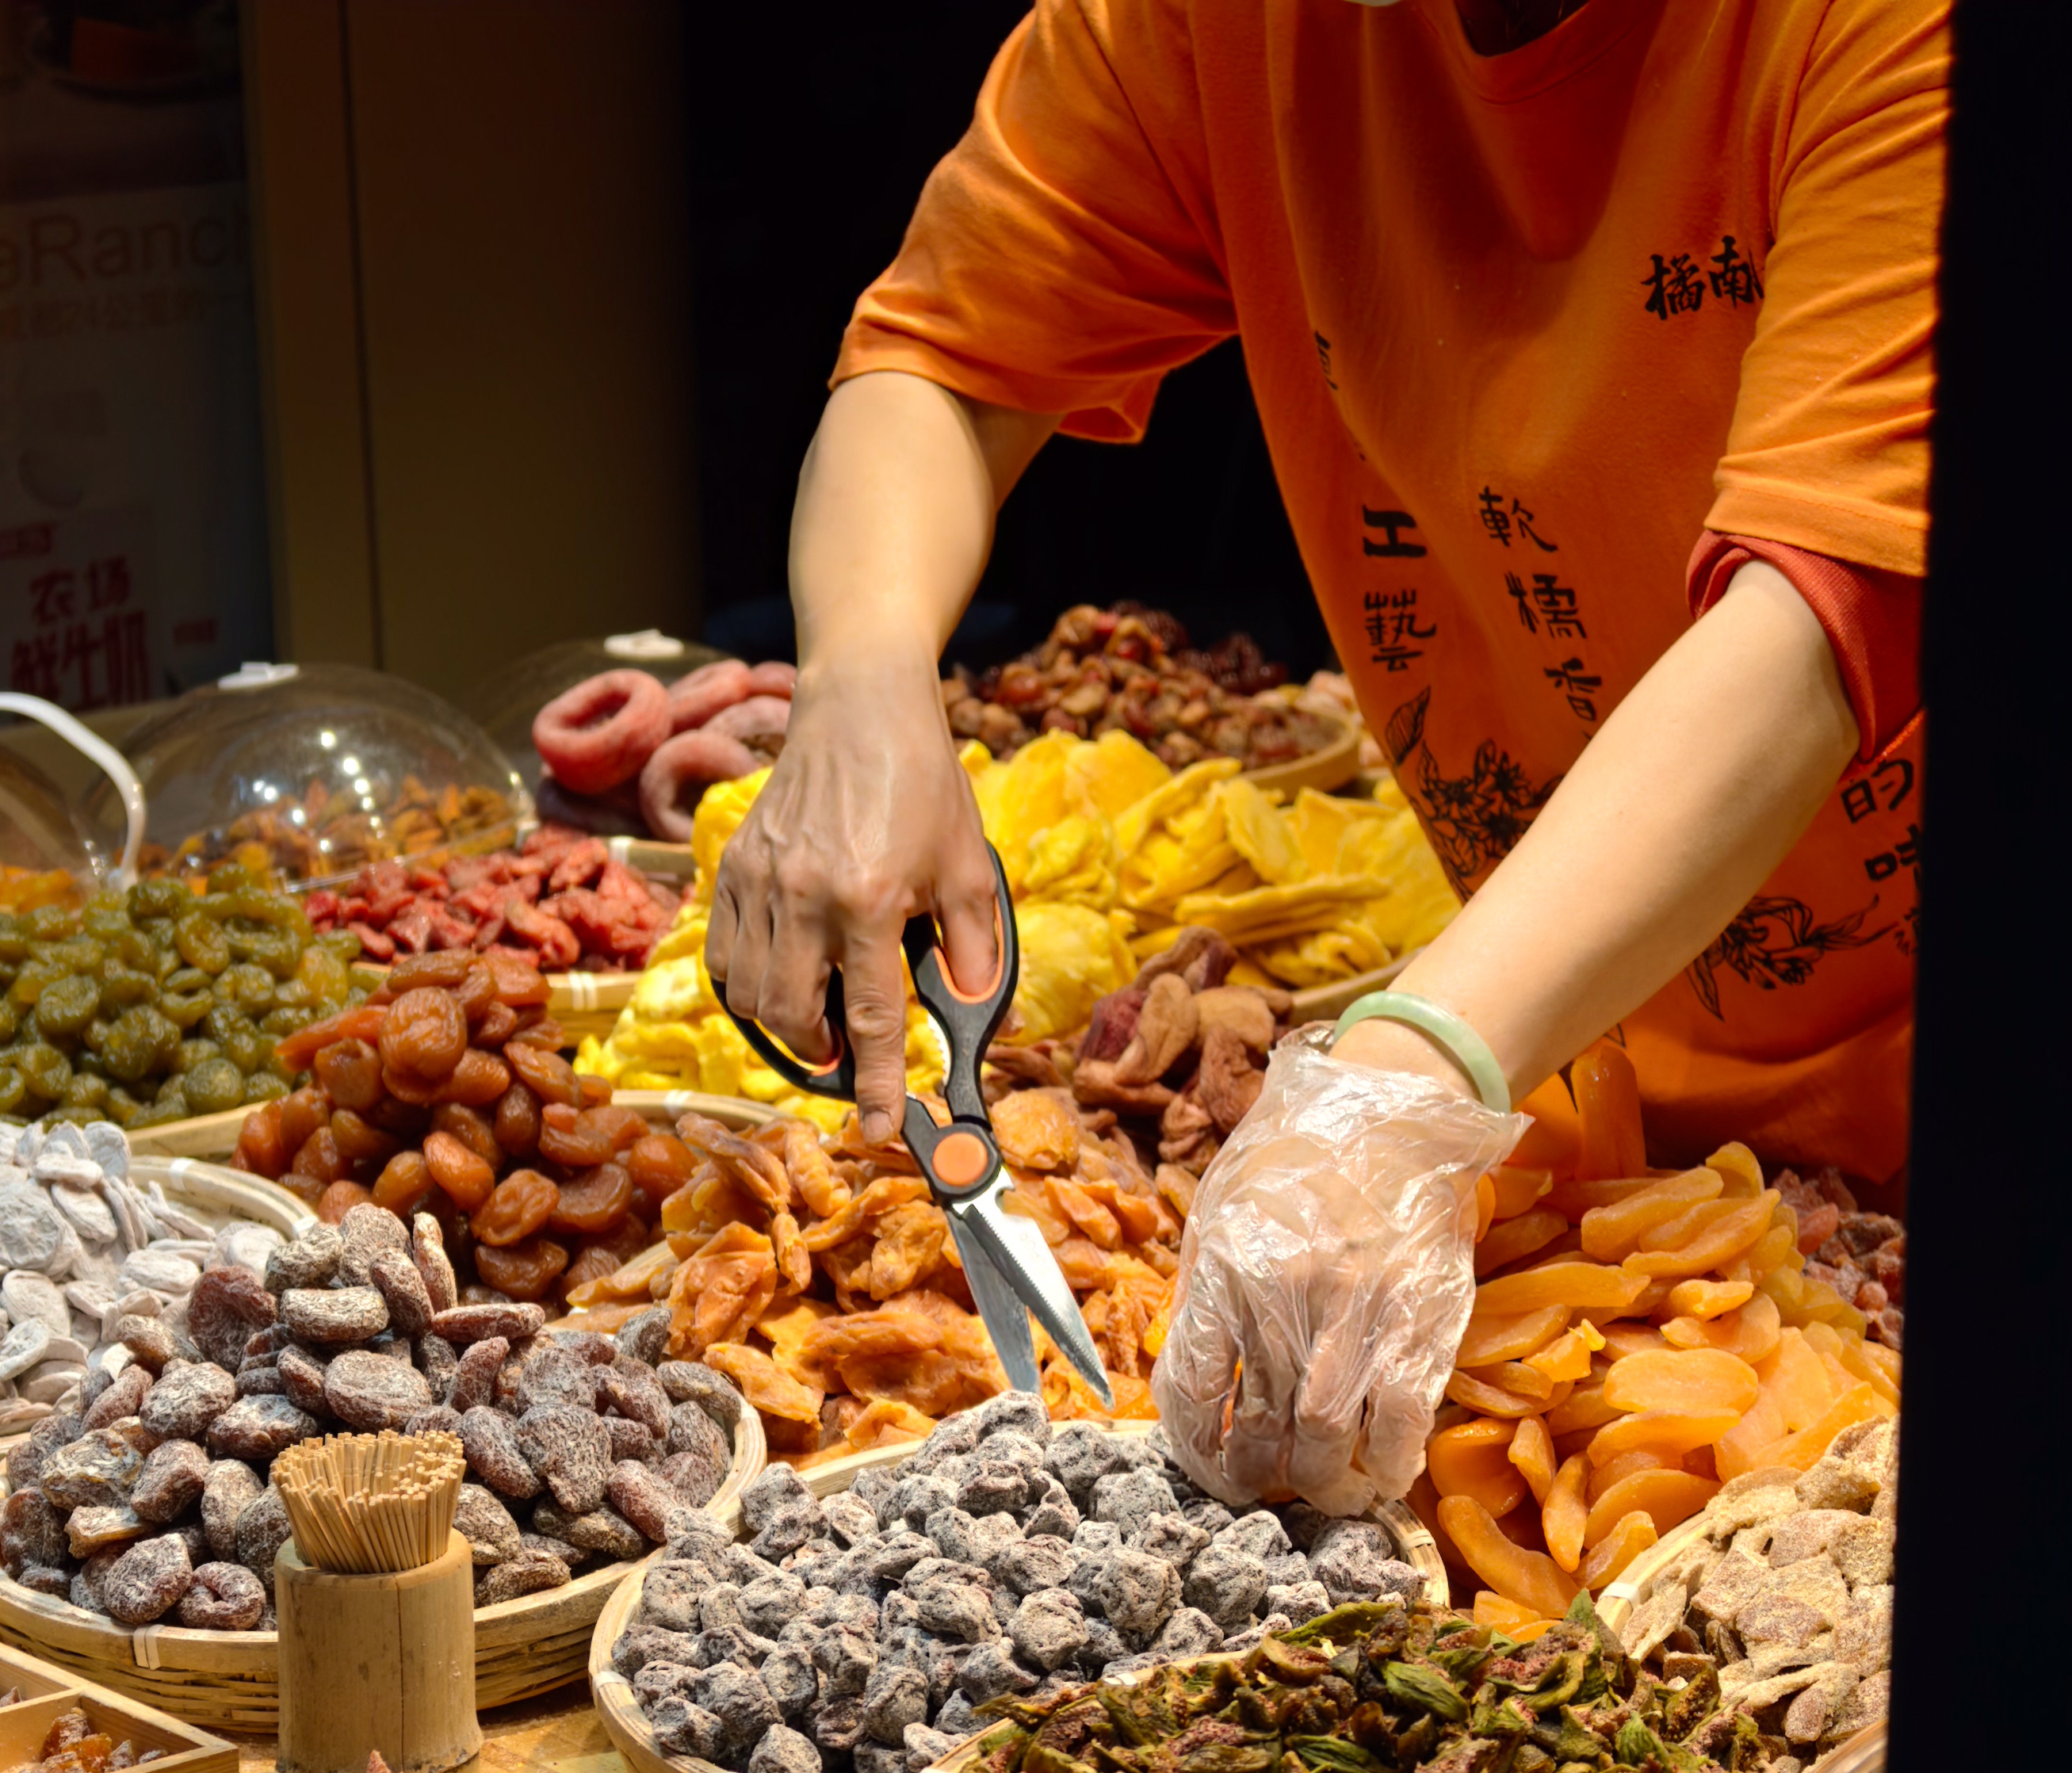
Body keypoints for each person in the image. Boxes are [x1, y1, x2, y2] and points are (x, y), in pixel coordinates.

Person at [706, 0, 1943, 1507]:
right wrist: (863, 675)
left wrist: (1409, 1073)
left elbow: (1817, 618)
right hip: (1597, 1123)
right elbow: (944, 362)